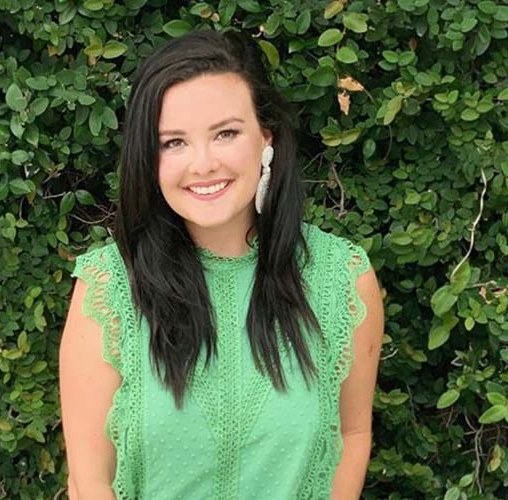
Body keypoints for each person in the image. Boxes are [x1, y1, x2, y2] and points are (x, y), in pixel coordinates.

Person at [59, 28, 384, 500]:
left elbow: (352, 436)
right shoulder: (109, 287)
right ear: (149, 158)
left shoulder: (342, 278)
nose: (202, 164)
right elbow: (89, 482)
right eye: (173, 142)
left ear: (265, 139)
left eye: (226, 133)